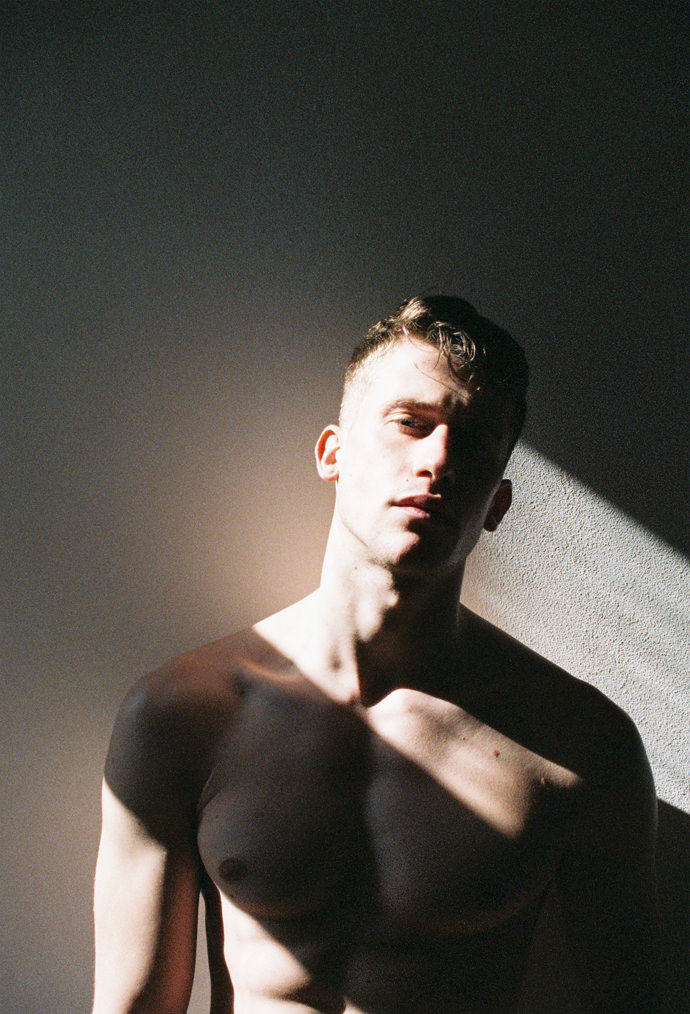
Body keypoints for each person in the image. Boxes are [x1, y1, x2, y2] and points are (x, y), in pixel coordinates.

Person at [92, 295, 660, 1013]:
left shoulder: (580, 744)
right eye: (410, 424)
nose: (439, 460)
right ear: (332, 453)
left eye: (475, 443)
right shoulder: (182, 716)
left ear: (497, 503)